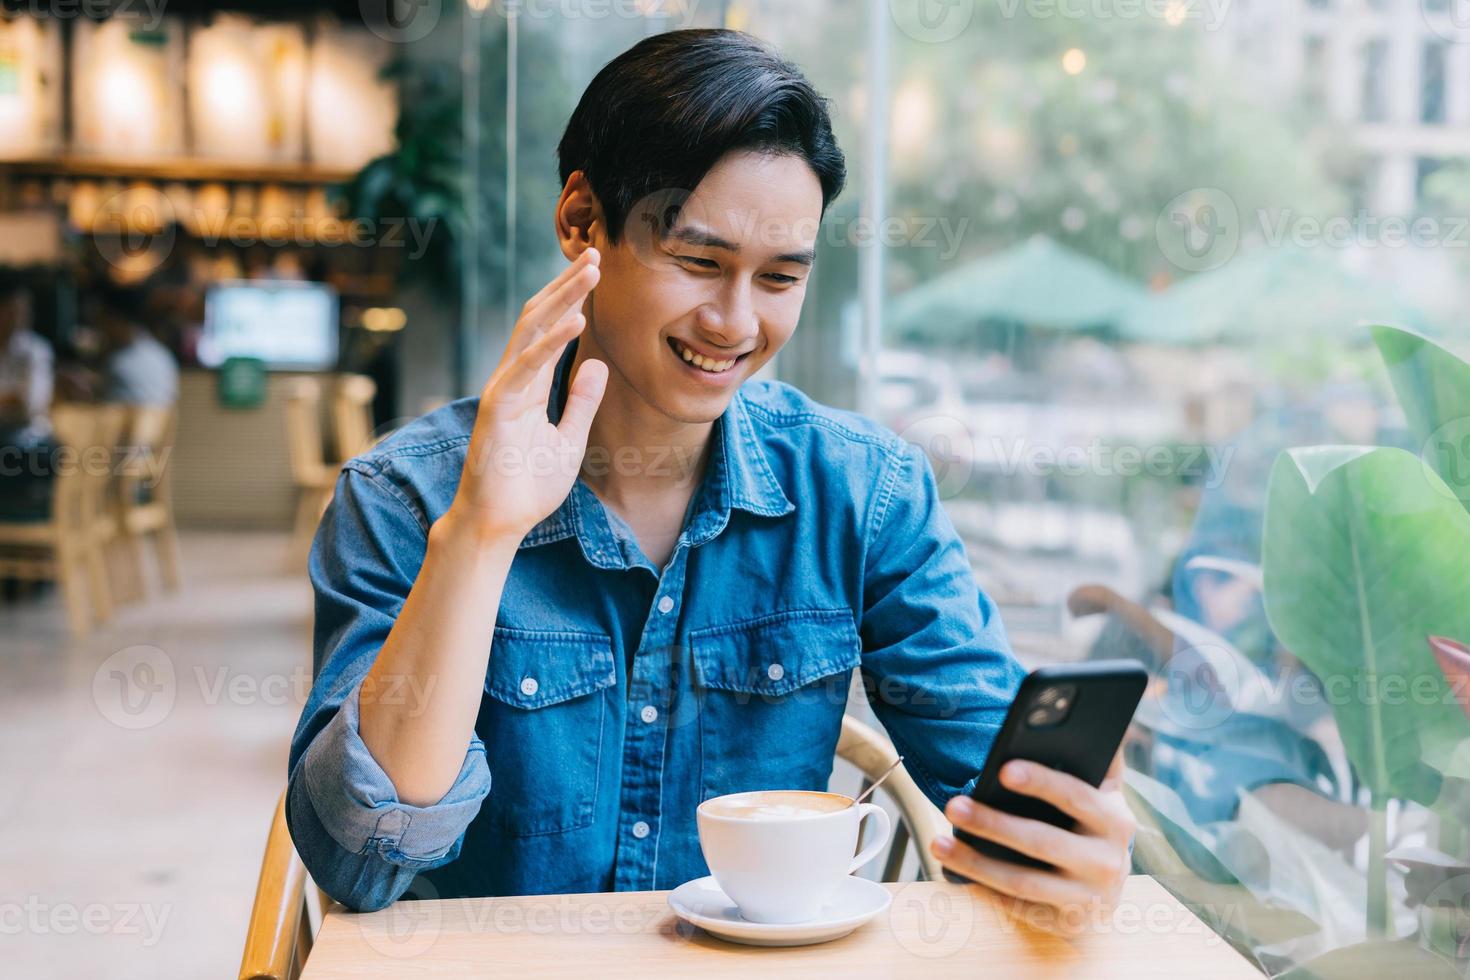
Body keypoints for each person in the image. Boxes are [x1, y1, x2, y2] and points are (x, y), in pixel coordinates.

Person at [288, 30, 1136, 920]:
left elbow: (999, 790)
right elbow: (359, 858)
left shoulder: (863, 491)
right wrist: (481, 533)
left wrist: (1068, 847)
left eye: (778, 278)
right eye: (699, 262)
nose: (735, 323)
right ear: (582, 221)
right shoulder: (402, 497)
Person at [0, 285, 56, 522]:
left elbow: (30, 405)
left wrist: (14, 399)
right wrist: (9, 397)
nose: (18, 319)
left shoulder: (35, 350)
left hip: (28, 444)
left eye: (23, 312)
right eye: (11, 311)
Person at [96, 284, 179, 406]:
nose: (101, 327)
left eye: (104, 319)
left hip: (126, 422)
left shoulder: (120, 361)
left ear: (118, 319)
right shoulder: (161, 355)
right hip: (158, 422)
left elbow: (104, 405)